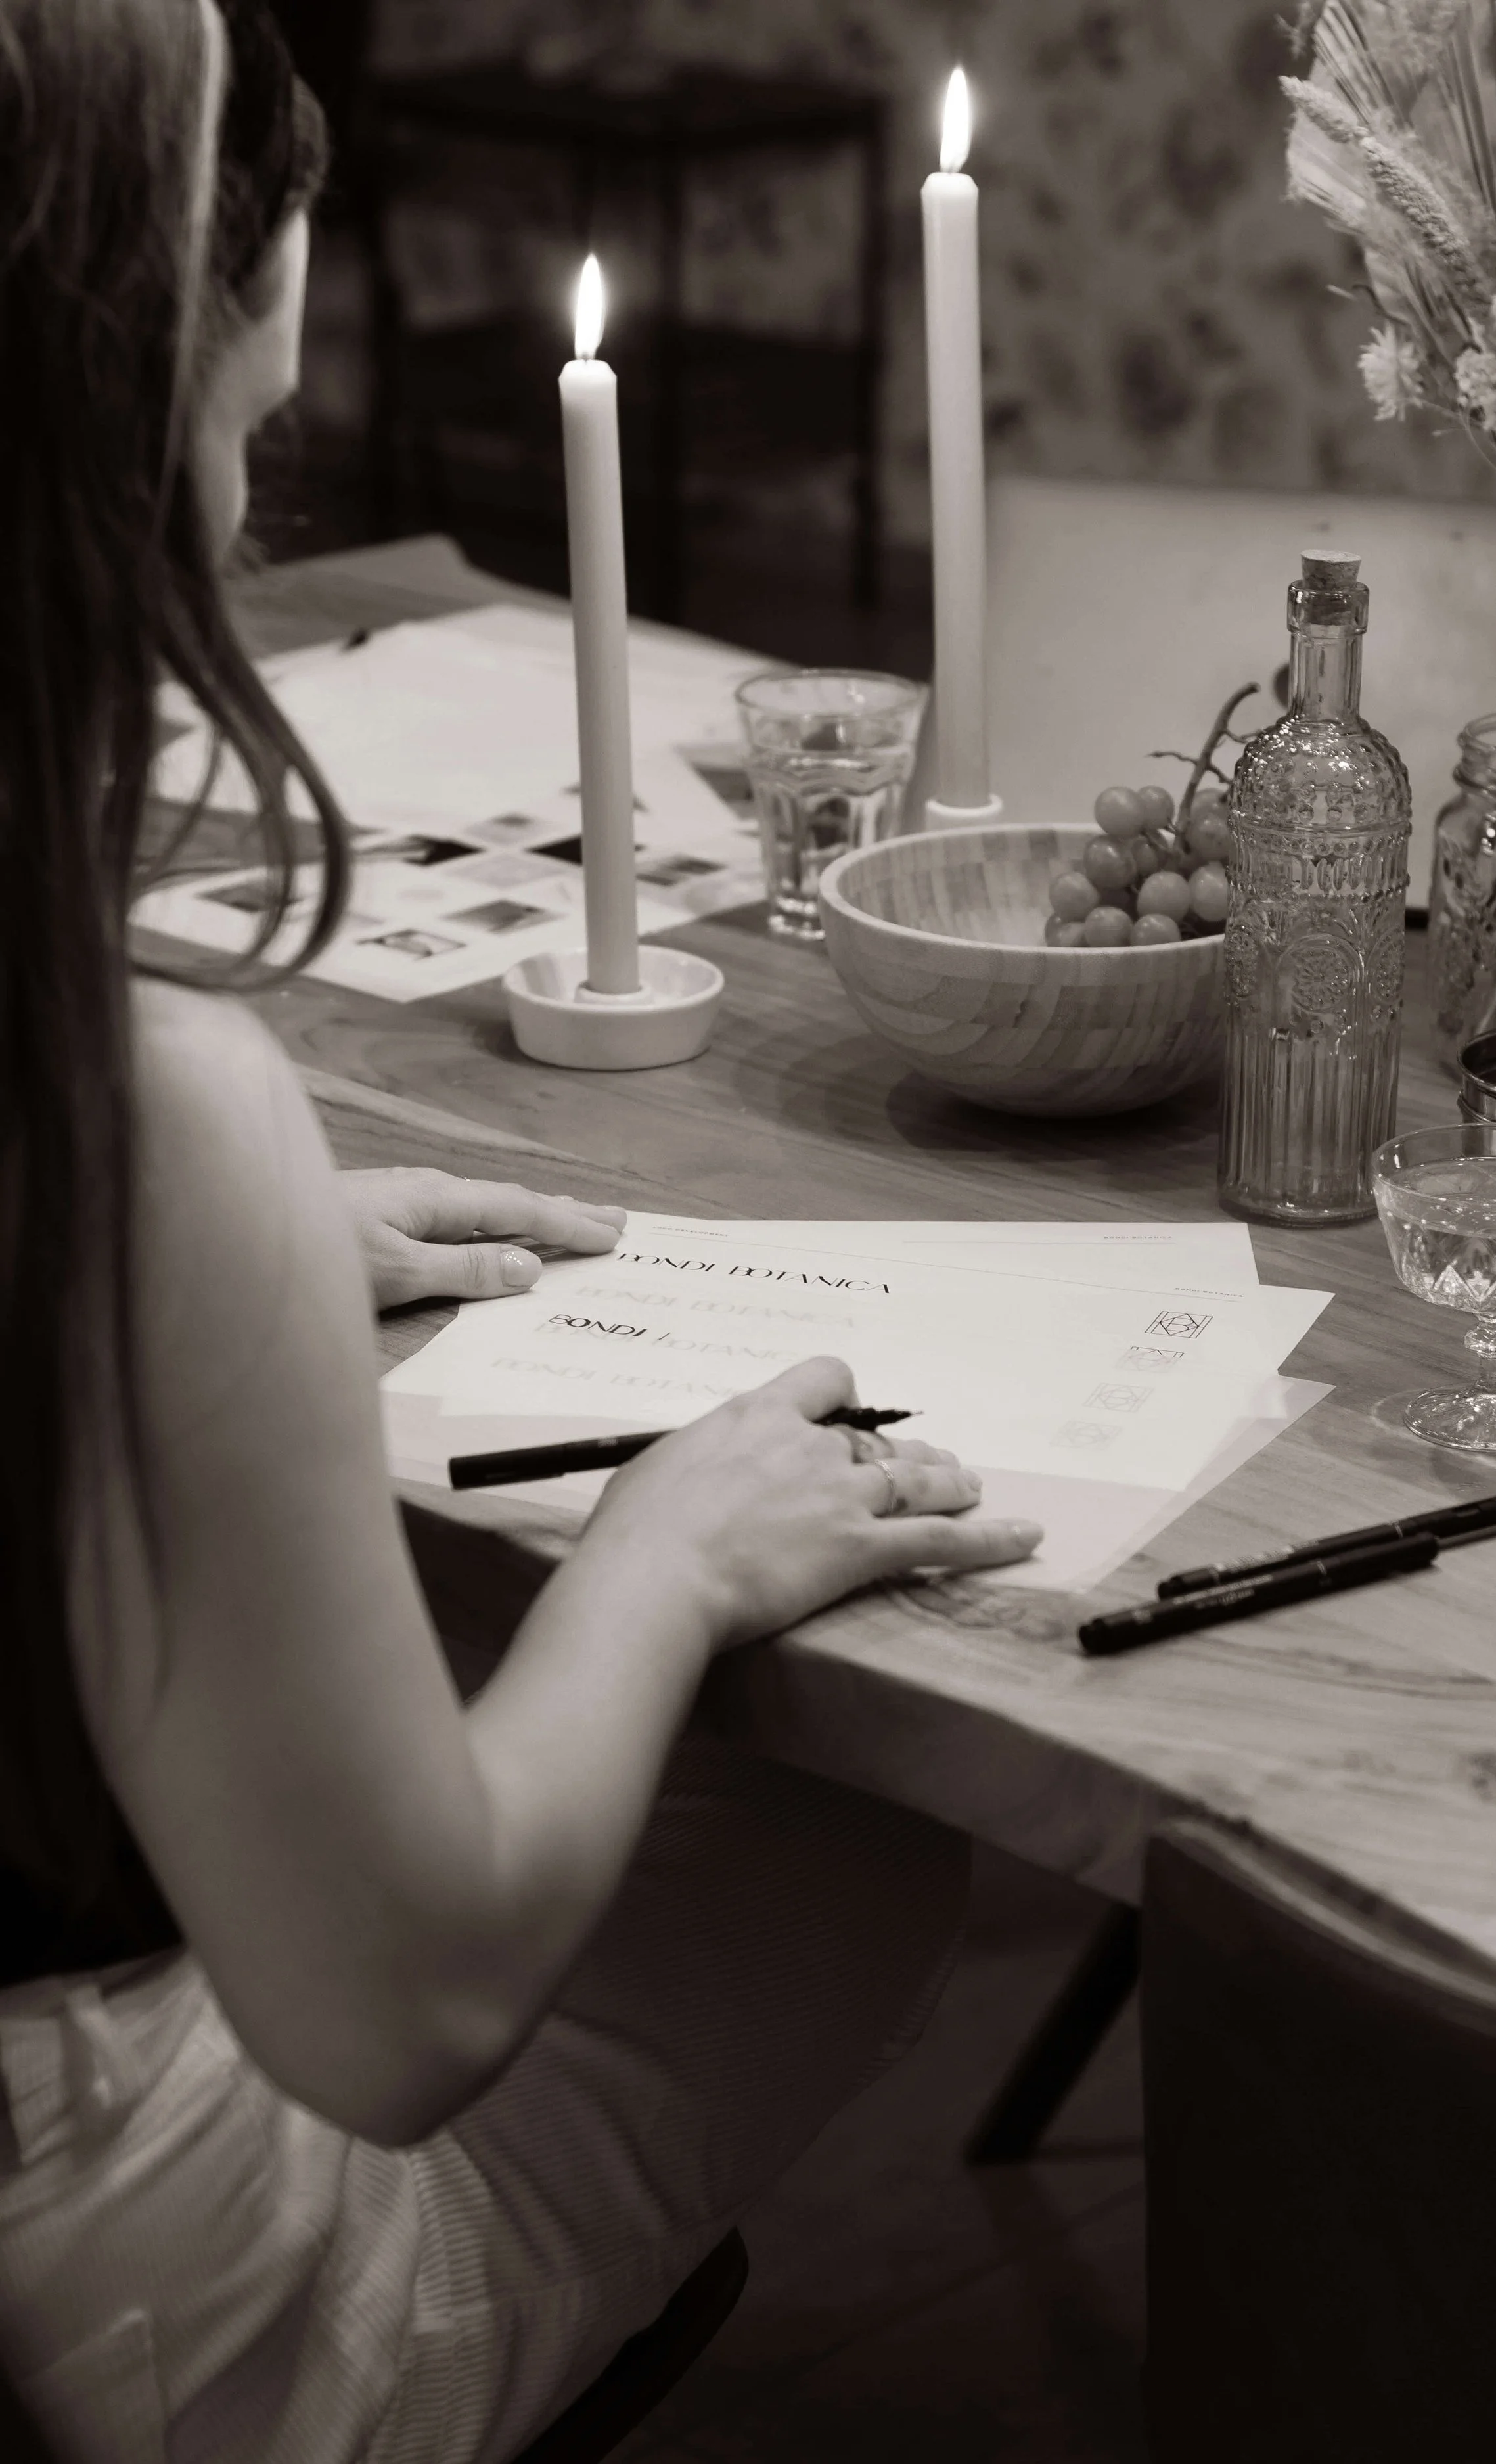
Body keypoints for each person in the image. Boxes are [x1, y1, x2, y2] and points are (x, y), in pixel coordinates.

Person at [0, 6, 1043, 2461]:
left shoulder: (109, 1170)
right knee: (859, 1828)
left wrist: (177, 1289)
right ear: (182, 331)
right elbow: (394, 2012)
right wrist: (664, 1553)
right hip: (119, 2333)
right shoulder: (145, 1130)